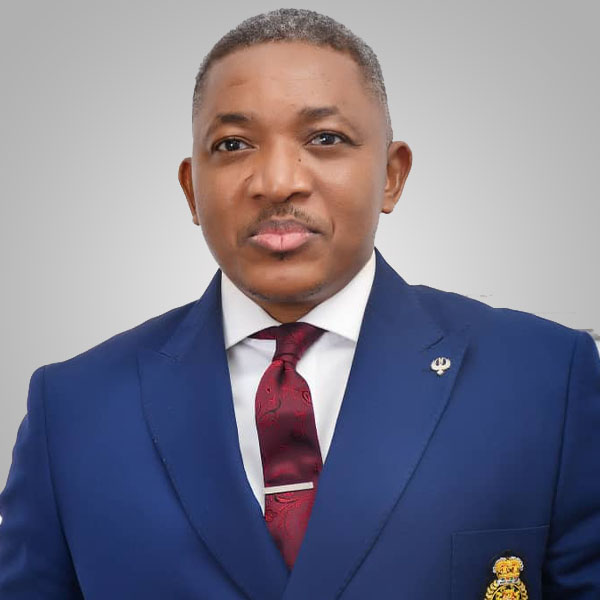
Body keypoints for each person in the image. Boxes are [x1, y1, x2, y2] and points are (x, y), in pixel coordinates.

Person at [0, 8, 598, 599]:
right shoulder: (73, 411)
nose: (278, 181)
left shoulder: (544, 379)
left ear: (392, 175)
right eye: (233, 144)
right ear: (191, 189)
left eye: (325, 139)